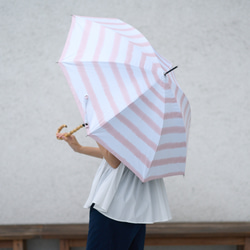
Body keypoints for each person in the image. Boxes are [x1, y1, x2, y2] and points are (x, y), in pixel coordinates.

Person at [56, 132, 172, 250]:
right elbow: (120, 156)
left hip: (114, 207)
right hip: (135, 207)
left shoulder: (128, 123)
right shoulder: (146, 126)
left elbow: (114, 161)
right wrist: (79, 148)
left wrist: (96, 132)